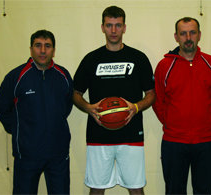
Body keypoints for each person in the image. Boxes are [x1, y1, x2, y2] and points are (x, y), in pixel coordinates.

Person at [72, 6, 155, 195]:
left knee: (136, 188)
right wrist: (88, 107)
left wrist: (135, 107)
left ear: (125, 27)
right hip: (98, 135)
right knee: (96, 189)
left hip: (132, 134)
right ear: (102, 27)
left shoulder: (138, 58)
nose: (114, 30)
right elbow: (75, 93)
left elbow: (151, 94)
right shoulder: (91, 59)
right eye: (109, 25)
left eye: (118, 25)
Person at [153, 17, 211, 194]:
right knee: (174, 190)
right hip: (174, 142)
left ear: (199, 35)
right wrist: (172, 122)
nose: (188, 37)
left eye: (192, 32)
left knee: (204, 190)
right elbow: (158, 101)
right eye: (183, 33)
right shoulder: (164, 66)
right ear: (176, 37)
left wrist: (207, 120)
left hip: (206, 141)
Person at [0, 30, 73, 194]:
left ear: (54, 50)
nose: (43, 51)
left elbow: (66, 106)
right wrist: (17, 128)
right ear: (31, 49)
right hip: (27, 154)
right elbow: (1, 107)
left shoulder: (63, 76)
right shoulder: (16, 76)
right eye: (38, 45)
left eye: (47, 46)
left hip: (58, 153)